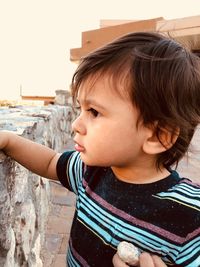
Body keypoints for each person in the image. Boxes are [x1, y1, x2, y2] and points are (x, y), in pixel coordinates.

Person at [0, 31, 200, 267]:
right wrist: (9, 141)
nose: (76, 124)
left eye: (94, 112)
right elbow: (50, 162)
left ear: (158, 136)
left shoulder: (188, 215)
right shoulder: (91, 171)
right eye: (80, 109)